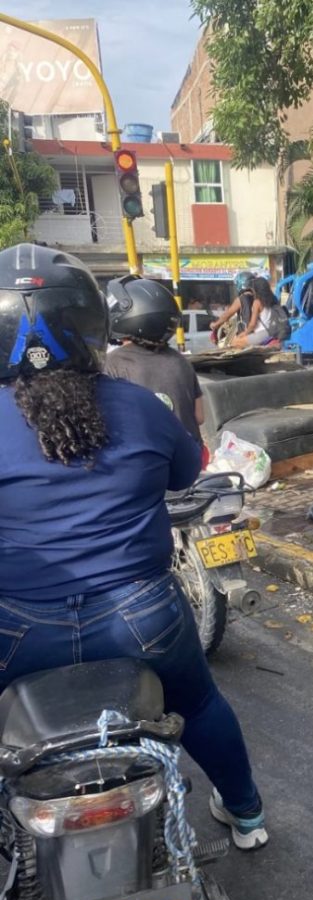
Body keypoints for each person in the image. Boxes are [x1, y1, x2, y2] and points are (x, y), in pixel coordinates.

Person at [0, 244, 267, 851]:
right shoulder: (141, 407)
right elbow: (184, 474)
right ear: (91, 324)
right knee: (198, 706)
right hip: (141, 617)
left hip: (14, 630)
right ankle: (247, 816)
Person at [104, 275, 204, 447]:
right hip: (190, 460)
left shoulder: (113, 363)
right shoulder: (181, 361)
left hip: (146, 464)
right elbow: (199, 417)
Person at [209, 270, 255, 345]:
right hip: (260, 335)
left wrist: (215, 324)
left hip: (245, 337)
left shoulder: (241, 299)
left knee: (227, 345)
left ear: (240, 284)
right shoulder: (259, 299)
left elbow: (227, 315)